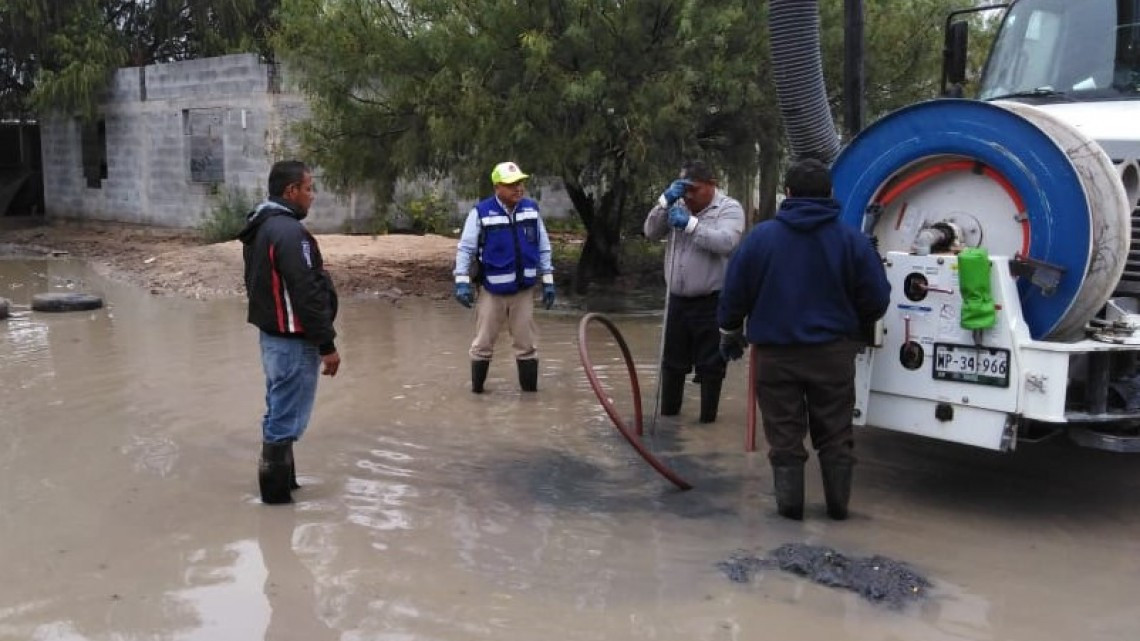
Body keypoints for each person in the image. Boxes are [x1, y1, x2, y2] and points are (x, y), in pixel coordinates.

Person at [717, 157, 890, 521]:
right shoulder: (852, 241)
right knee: (835, 434)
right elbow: (876, 298)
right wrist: (853, 330)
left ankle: (790, 513)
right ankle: (838, 512)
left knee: (784, 437)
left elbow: (734, 293)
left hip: (775, 357)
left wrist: (730, 330)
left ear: (789, 194)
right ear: (830, 194)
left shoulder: (760, 239)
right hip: (832, 355)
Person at [239, 160, 341, 505]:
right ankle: (277, 504)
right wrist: (327, 344)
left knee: (278, 411)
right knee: (284, 422)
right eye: (309, 188)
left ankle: (286, 488)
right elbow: (306, 291)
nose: (313, 196)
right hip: (293, 341)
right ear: (291, 191)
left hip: (273, 340)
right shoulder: (287, 232)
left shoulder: (261, 225)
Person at [644, 160, 745, 423]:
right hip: (676, 301)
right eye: (684, 190)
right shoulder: (677, 204)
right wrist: (664, 202)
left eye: (694, 190)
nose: (688, 196)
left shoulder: (729, 208)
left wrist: (691, 225)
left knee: (711, 366)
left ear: (712, 185)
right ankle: (668, 419)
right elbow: (650, 232)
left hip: (711, 302)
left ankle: (707, 424)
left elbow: (727, 243)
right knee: (672, 362)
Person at [454, 161, 555, 393]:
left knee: (527, 345)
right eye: (511, 184)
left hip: (523, 292)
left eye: (520, 183)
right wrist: (461, 281)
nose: (518, 188)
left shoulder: (531, 210)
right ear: (497, 187)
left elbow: (543, 247)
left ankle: (530, 400)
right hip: (491, 292)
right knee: (482, 344)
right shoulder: (481, 213)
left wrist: (548, 280)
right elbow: (466, 249)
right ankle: (477, 395)